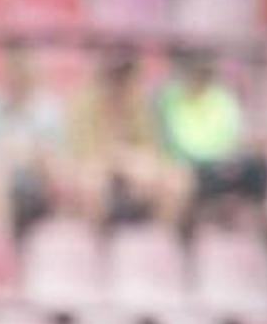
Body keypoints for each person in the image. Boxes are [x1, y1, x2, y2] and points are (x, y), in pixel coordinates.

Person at [68, 54, 185, 229]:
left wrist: (129, 160)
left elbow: (152, 148)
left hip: (133, 163)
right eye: (114, 74)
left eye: (124, 74)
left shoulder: (140, 103)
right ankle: (97, 241)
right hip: (95, 163)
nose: (118, 82)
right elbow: (82, 151)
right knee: (91, 184)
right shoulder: (84, 103)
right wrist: (117, 158)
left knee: (176, 180)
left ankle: (161, 238)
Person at [0, 50, 67, 235]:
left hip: (37, 182)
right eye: (14, 71)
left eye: (24, 71)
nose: (18, 77)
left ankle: (62, 244)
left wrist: (31, 156)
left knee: (60, 171)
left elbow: (56, 157)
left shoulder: (47, 108)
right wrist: (7, 155)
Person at [155, 52, 267, 227]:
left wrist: (227, 159)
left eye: (204, 73)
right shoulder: (171, 98)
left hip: (222, 162)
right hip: (191, 165)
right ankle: (185, 234)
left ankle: (257, 230)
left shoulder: (222, 98)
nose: (200, 79)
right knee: (183, 181)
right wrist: (214, 160)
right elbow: (178, 143)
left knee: (258, 168)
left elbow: (233, 135)